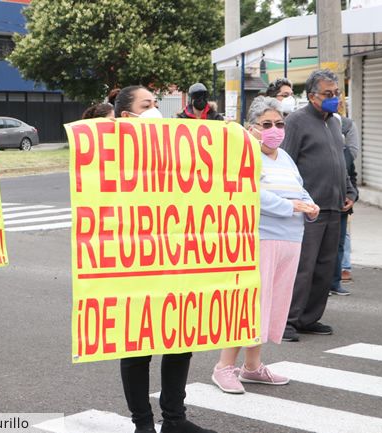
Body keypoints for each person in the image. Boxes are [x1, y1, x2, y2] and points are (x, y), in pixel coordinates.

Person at [114, 85, 216, 433]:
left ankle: (174, 419)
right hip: (135, 262)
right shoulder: (108, 158)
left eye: (157, 104)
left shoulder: (175, 150)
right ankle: (143, 424)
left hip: (176, 259)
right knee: (138, 346)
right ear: (127, 116)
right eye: (148, 105)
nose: (156, 110)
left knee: (179, 338)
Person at [211, 97, 319, 393]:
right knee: (248, 304)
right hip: (259, 237)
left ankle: (253, 366)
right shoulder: (245, 155)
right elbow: (251, 192)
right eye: (267, 124)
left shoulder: (284, 157)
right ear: (252, 128)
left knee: (270, 304)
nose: (275, 130)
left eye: (280, 123)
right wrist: (291, 206)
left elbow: (300, 188)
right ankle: (224, 367)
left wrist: (308, 204)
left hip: (289, 239)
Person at [280, 69, 357, 342]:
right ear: (312, 96)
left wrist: (350, 190)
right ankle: (287, 321)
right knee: (303, 267)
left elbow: (341, 162)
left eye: (336, 93)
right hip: (308, 209)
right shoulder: (297, 122)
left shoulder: (334, 123)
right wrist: (294, 202)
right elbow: (285, 163)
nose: (333, 98)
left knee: (325, 267)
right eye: (328, 94)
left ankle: (309, 318)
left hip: (335, 207)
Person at [330, 99, 360, 296]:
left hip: (341, 205)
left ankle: (335, 282)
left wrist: (352, 196)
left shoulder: (345, 153)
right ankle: (320, 284)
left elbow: (352, 177)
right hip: (322, 204)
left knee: (339, 243)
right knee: (323, 247)